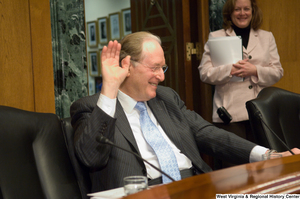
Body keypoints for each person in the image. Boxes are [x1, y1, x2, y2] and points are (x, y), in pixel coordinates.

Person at [70, 31, 298, 193]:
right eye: (154, 68)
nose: (162, 76)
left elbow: (207, 133)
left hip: (196, 187)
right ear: (128, 67)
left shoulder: (166, 98)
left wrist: (267, 155)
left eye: (163, 67)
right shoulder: (92, 107)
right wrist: (109, 89)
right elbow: (91, 157)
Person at [198, 0, 283, 169]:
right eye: (237, 9)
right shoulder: (216, 37)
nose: (242, 13)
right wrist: (229, 70)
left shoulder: (267, 37)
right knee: (234, 170)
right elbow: (204, 73)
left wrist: (255, 71)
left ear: (253, 11)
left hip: (259, 113)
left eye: (246, 9)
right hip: (229, 115)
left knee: (263, 168)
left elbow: (277, 72)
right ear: (230, 12)